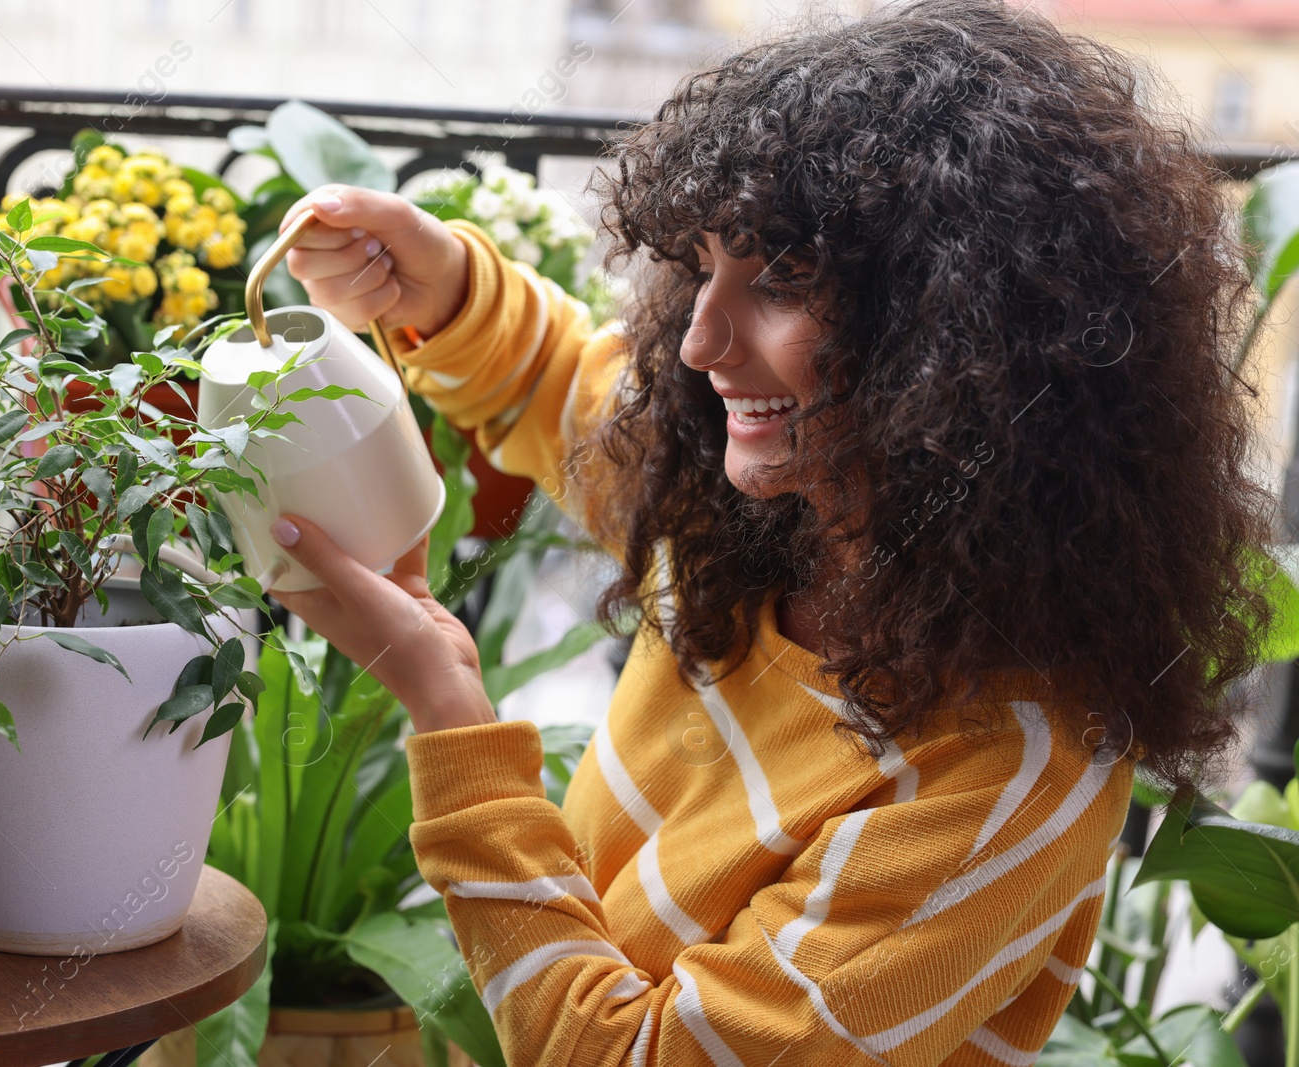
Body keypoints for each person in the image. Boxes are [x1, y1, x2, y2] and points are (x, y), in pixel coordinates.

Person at [261, 0, 1275, 1062]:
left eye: (781, 280)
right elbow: (566, 386)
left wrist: (450, 713)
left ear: (964, 334)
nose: (699, 340)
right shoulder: (774, 505)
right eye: (703, 266)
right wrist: (448, 286)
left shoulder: (1006, 768)